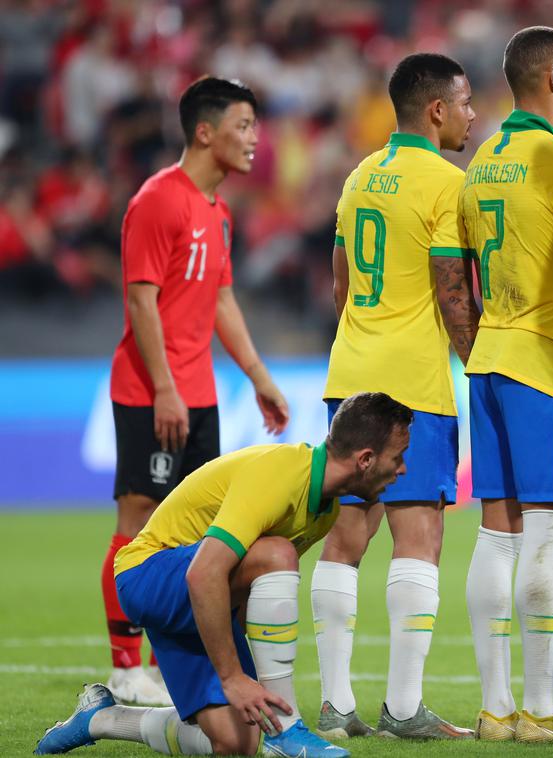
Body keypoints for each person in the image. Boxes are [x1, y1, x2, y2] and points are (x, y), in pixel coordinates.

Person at [36, 392, 414, 758]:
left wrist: (242, 677)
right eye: (397, 457)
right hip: (147, 574)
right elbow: (204, 573)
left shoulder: (324, 508)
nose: (402, 469)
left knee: (238, 741)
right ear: (365, 459)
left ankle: (101, 718)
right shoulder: (281, 474)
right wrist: (232, 677)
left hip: (201, 595)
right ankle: (288, 727)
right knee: (277, 552)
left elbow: (249, 589)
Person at [105, 76, 288, 706]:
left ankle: (164, 662)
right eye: (243, 126)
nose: (254, 140)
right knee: (138, 524)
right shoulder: (159, 200)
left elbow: (221, 300)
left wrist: (260, 379)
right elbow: (140, 298)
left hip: (200, 394)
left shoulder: (219, 211)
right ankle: (125, 665)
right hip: (150, 392)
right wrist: (163, 387)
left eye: (256, 128)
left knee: (191, 532)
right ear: (205, 131)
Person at [310, 53, 478, 742]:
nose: (472, 114)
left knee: (347, 534)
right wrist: (481, 364)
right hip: (412, 383)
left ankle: (334, 704)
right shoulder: (445, 182)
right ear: (435, 109)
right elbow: (450, 290)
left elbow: (342, 280)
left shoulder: (359, 176)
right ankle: (405, 708)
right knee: (420, 536)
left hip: (349, 371)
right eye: (465, 102)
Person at [459, 26, 553, 744]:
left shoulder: (482, 163)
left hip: (489, 358)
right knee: (548, 532)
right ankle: (540, 709)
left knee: (496, 536)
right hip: (545, 361)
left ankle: (494, 708)